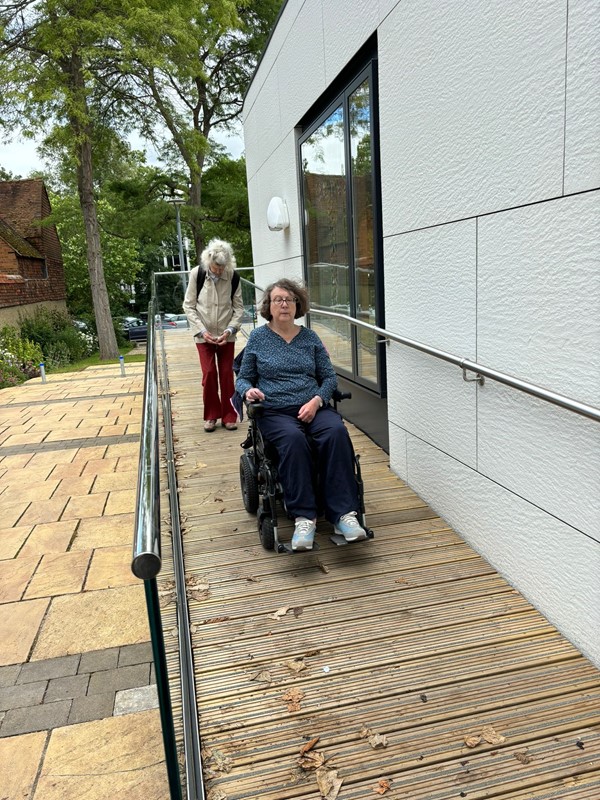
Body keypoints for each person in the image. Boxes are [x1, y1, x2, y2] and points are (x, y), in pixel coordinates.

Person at [235, 278, 366, 551]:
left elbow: (329, 377)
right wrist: (249, 392)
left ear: (298, 305)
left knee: (336, 432)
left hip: (313, 406)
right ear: (268, 307)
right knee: (293, 441)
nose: (284, 304)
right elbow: (243, 379)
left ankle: (344, 515)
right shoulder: (258, 338)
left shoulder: (310, 338)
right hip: (275, 410)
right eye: (278, 299)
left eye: (290, 299)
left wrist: (317, 401)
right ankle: (304, 518)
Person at [183, 238, 244, 432]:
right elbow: (189, 306)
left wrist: (230, 330)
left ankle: (229, 415)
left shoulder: (233, 277)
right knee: (209, 374)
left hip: (227, 336)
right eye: (216, 267)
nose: (218, 271)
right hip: (204, 335)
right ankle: (211, 415)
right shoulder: (197, 274)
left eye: (222, 268)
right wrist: (202, 331)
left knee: (226, 375)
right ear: (208, 260)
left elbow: (239, 309)